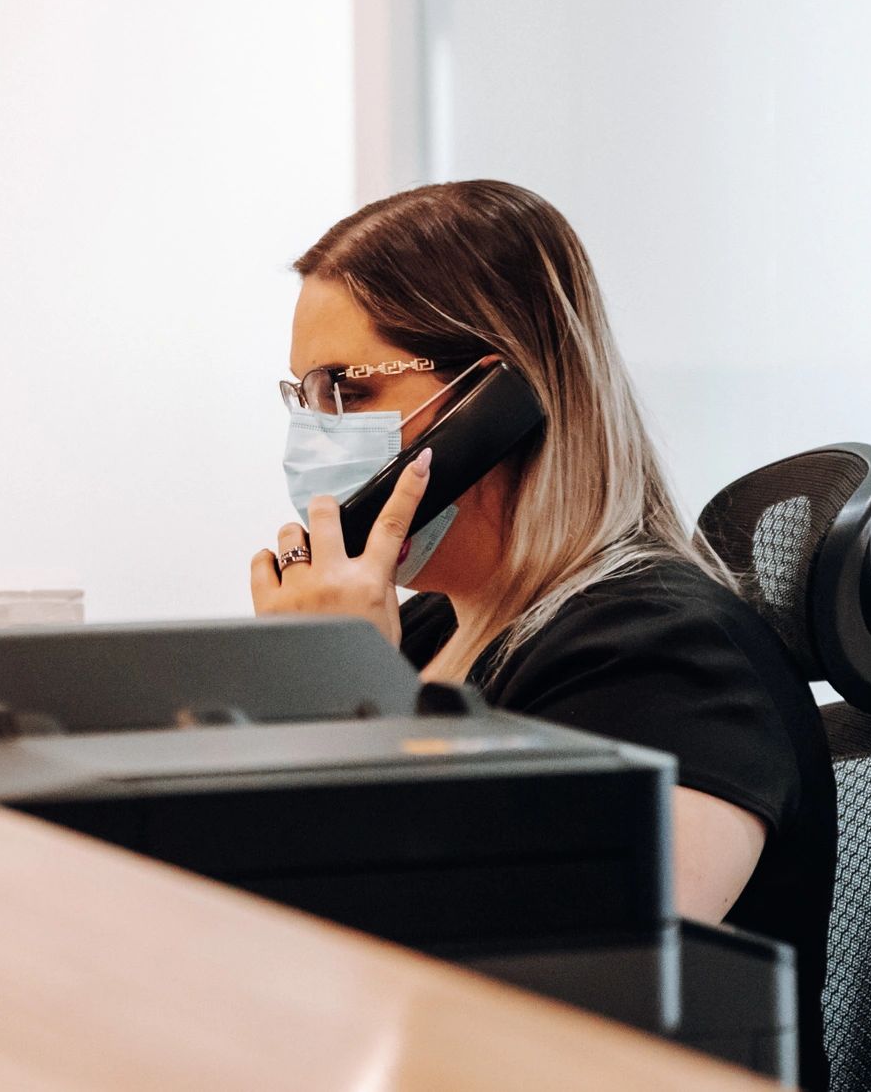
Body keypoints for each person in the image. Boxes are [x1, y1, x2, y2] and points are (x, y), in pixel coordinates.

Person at [251, 180, 834, 1092]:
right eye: (302, 394)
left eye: (347, 388)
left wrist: (346, 700)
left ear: (500, 398)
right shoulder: (424, 629)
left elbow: (540, 1015)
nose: (313, 432)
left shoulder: (668, 656)